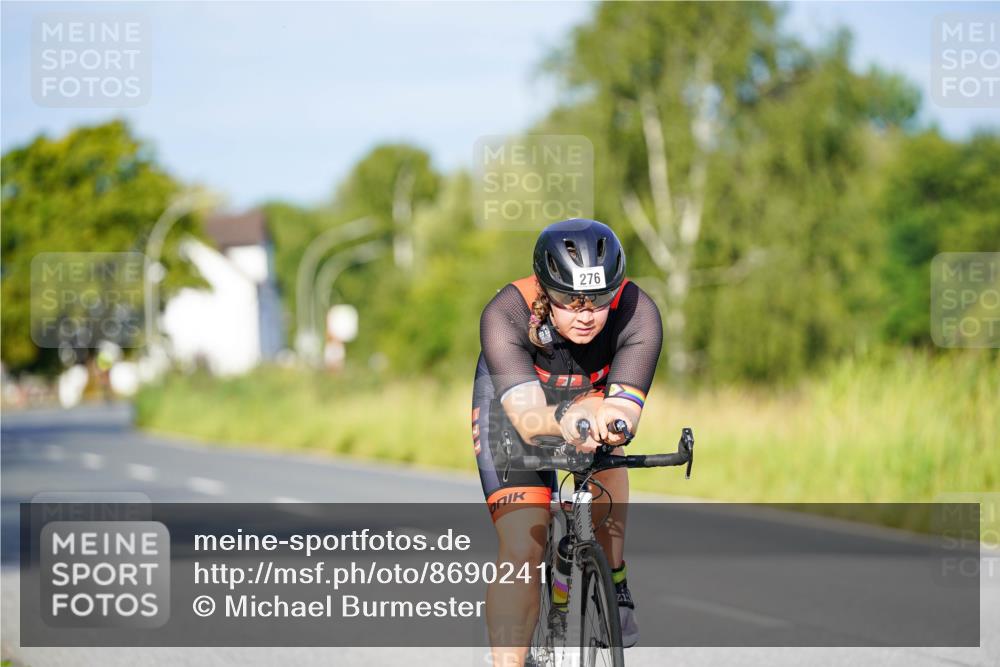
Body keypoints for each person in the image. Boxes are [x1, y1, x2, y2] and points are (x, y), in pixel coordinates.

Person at [471, 218, 663, 666]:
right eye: (569, 299)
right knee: (522, 546)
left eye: (598, 300)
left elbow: (625, 410)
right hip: (515, 408)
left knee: (611, 443)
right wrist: (570, 415)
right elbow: (529, 418)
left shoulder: (639, 312)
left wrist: (610, 420)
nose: (585, 314)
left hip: (589, 402)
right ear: (543, 289)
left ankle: (614, 576)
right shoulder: (506, 313)